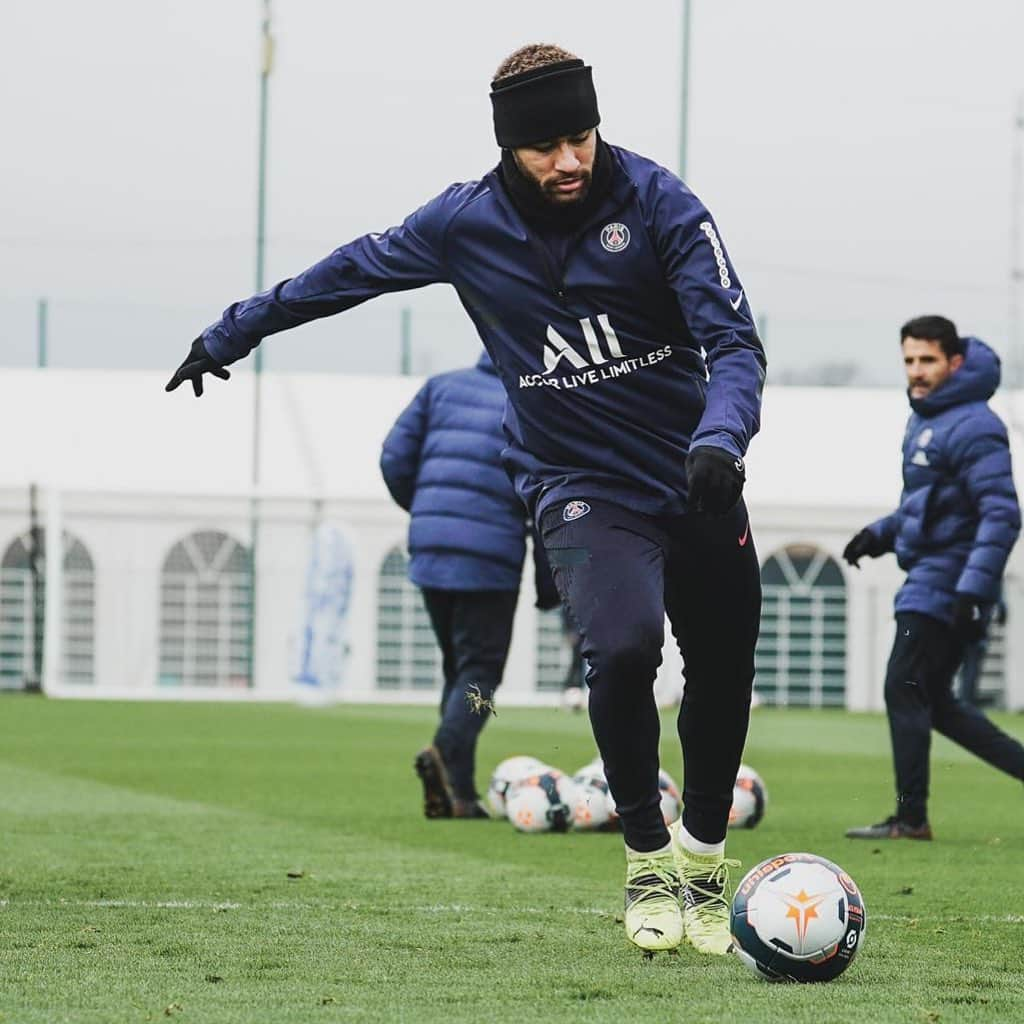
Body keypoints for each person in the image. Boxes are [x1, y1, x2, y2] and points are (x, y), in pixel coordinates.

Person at [166, 43, 765, 955]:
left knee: (721, 673)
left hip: (697, 472)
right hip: (580, 489)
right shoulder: (464, 224)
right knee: (624, 643)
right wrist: (232, 331)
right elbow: (347, 271)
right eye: (547, 146)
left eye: (582, 136)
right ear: (508, 148)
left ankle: (706, 857)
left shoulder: (659, 202)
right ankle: (647, 853)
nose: (570, 160)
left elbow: (734, 341)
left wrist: (722, 437)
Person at [843, 315, 1024, 840]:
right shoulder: (927, 419)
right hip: (931, 575)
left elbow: (1001, 514)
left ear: (955, 362)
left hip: (946, 584)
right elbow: (928, 508)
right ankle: (911, 815)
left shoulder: (974, 423)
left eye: (928, 361)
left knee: (903, 685)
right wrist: (878, 534)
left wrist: (971, 590)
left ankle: (910, 819)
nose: (917, 372)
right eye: (909, 361)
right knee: (936, 703)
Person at [380, 350, 556, 819]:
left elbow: (393, 460)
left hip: (431, 549)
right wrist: (550, 578)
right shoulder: (531, 398)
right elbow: (545, 494)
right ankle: (443, 748)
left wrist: (426, 511)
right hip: (490, 558)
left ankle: (459, 794)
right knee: (480, 676)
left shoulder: (440, 387)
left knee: (458, 669)